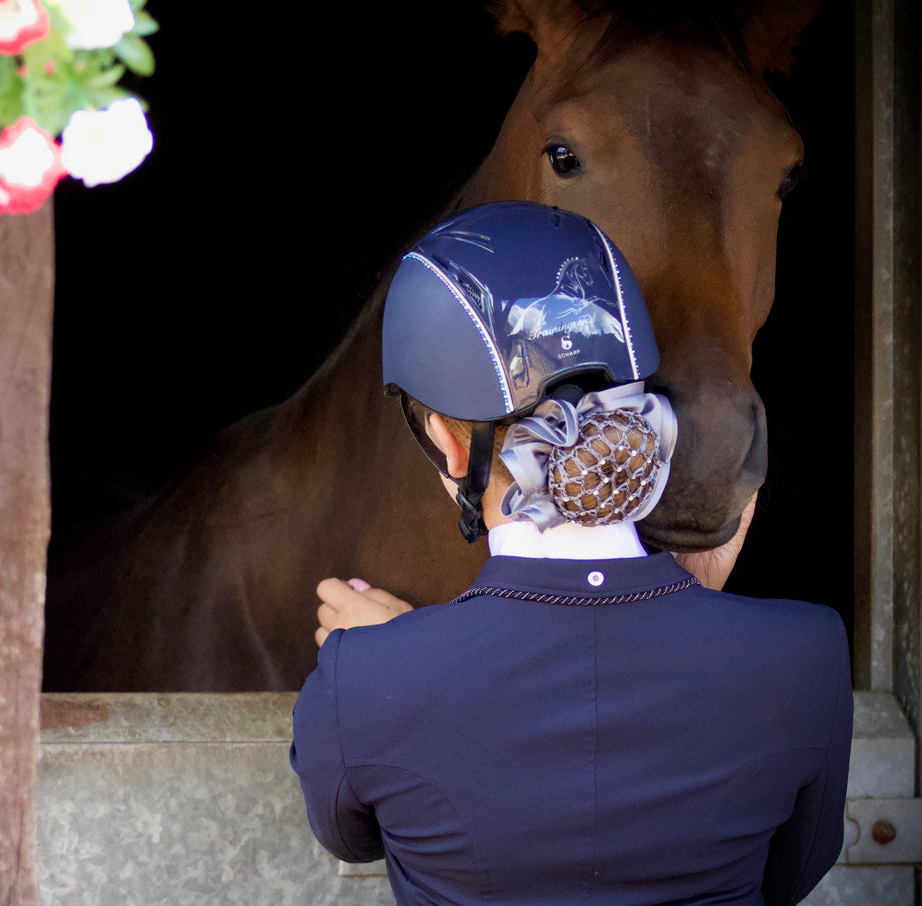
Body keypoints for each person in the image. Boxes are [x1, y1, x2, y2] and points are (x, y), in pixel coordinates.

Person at [289, 202, 852, 906]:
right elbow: (785, 876)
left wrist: (398, 664)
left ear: (450, 443)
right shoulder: (805, 655)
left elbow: (354, 838)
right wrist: (695, 613)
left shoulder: (362, 677)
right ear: (639, 411)